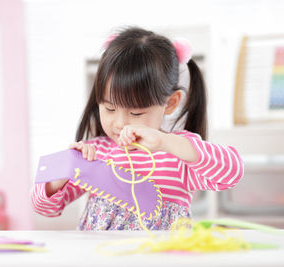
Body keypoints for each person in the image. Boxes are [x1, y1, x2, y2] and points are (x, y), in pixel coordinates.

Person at [30, 27, 244, 230]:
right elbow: (44, 208)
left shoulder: (176, 154)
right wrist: (62, 173)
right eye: (109, 108)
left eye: (136, 113)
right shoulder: (95, 154)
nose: (120, 123)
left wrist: (166, 142)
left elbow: (232, 173)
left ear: (170, 103)